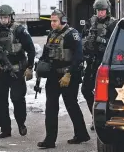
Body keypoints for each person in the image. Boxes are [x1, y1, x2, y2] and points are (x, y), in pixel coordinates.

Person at [36, 9, 90, 149]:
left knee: (71, 105)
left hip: (69, 76)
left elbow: (78, 57)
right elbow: (45, 55)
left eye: (55, 21)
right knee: (51, 107)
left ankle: (81, 134)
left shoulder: (73, 35)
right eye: (51, 21)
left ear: (63, 21)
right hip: (54, 75)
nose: (52, 23)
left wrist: (69, 74)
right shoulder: (52, 35)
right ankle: (50, 140)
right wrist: (39, 67)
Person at [0, 4, 35, 138]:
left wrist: (30, 67)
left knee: (17, 98)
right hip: (1, 72)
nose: (3, 20)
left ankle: (21, 123)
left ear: (11, 17)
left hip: (17, 71)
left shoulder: (19, 31)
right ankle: (5, 129)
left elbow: (31, 49)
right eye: (1, 18)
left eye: (5, 17)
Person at [81, 0, 118, 130]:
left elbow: (114, 43)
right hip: (91, 61)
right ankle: (94, 116)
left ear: (107, 10)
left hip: (105, 62)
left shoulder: (114, 24)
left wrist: (99, 39)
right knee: (86, 90)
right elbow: (82, 37)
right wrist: (86, 43)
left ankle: (106, 117)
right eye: (98, 10)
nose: (100, 13)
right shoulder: (90, 22)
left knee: (105, 93)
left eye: (102, 10)